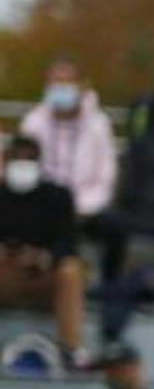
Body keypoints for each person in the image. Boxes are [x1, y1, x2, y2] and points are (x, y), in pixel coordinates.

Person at [19, 58, 121, 282]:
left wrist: (79, 208)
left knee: (116, 227)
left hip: (85, 210)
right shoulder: (33, 123)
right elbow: (24, 169)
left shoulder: (98, 125)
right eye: (55, 83)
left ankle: (108, 289)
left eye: (66, 83)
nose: (60, 89)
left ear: (81, 86)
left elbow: (106, 178)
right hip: (43, 206)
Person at [0, 136, 87, 367]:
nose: (21, 165)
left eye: (28, 160)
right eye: (15, 159)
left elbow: (69, 244)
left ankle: (71, 350)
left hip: (43, 279)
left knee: (70, 270)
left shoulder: (57, 197)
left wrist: (44, 257)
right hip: (6, 279)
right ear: (4, 162)